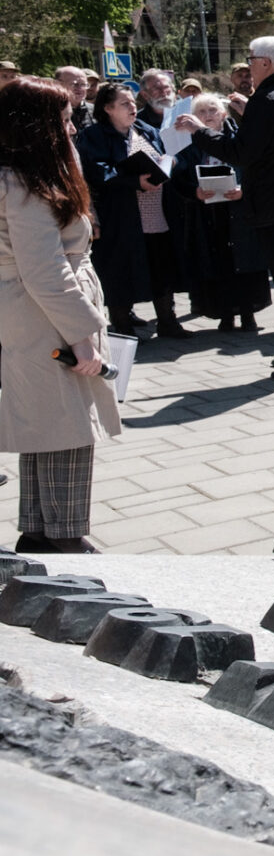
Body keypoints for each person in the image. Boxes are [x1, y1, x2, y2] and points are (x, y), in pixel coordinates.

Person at [0, 77, 120, 554]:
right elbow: (45, 271)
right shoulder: (24, 185)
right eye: (65, 121)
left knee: (44, 421)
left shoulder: (19, 177)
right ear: (38, 128)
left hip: (34, 313)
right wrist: (82, 336)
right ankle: (66, 537)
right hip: (45, 315)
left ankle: (38, 532)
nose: (72, 130)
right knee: (68, 424)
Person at [172, 36, 274, 381]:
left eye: (251, 59)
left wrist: (199, 131)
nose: (248, 66)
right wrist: (249, 115)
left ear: (265, 63)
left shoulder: (267, 100)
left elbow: (240, 152)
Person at [73, 83, 176, 337]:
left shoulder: (146, 129)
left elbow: (168, 154)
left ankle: (168, 321)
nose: (132, 107)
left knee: (161, 266)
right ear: (108, 108)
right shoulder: (94, 136)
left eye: (133, 102)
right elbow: (97, 172)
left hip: (155, 215)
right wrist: (134, 181)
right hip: (120, 215)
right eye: (125, 103)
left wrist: (170, 163)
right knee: (119, 270)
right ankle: (123, 327)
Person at [165, 94, 270, 334]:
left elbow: (258, 170)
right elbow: (179, 178)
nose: (208, 115)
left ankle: (248, 314)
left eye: (213, 110)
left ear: (223, 114)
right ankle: (225, 314)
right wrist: (195, 191)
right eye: (201, 112)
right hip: (207, 214)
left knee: (245, 262)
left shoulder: (239, 138)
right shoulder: (189, 145)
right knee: (218, 263)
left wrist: (244, 190)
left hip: (239, 211)